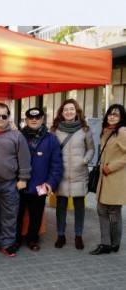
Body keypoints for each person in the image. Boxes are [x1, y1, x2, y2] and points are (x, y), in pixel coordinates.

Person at [0, 103, 31, 257]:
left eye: (4, 116)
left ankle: (7, 244)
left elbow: (25, 158)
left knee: (9, 215)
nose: (1, 119)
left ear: (9, 117)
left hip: (9, 183)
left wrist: (23, 178)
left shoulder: (17, 135)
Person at [16, 107, 63, 251]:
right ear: (26, 120)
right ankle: (16, 240)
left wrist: (50, 183)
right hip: (19, 184)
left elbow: (57, 165)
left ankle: (33, 239)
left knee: (36, 216)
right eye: (31, 118)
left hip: (41, 185)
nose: (34, 120)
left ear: (42, 119)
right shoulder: (17, 136)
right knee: (16, 214)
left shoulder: (51, 139)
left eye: (37, 118)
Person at [50, 99, 95, 250]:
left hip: (79, 173)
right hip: (61, 174)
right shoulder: (55, 130)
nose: (69, 112)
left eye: (71, 109)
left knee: (79, 206)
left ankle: (78, 236)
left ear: (76, 111)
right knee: (60, 206)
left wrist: (85, 160)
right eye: (66, 110)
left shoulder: (85, 129)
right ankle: (61, 235)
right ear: (61, 113)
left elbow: (91, 149)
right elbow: (51, 150)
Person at [89, 104, 126, 255]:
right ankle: (107, 243)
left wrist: (111, 167)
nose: (112, 117)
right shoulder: (108, 131)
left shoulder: (122, 132)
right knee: (102, 209)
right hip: (105, 178)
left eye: (116, 115)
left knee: (113, 211)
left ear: (122, 118)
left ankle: (114, 243)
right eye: (110, 114)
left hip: (115, 178)